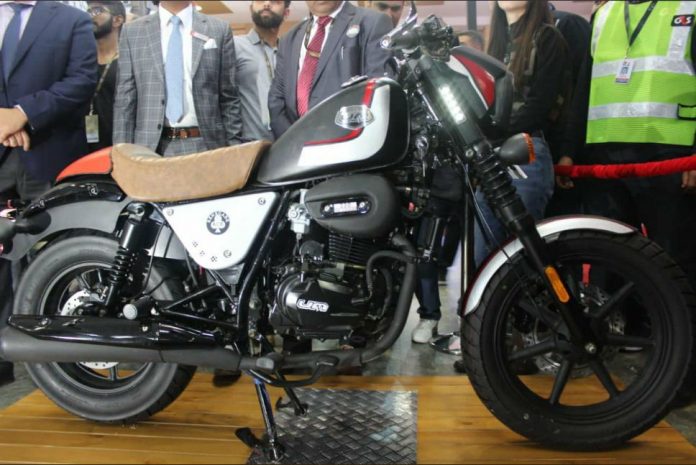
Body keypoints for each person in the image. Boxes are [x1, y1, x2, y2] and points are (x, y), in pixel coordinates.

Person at [445, 0, 568, 369]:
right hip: (491, 155)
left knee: (517, 254)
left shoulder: (548, 38)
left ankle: (515, 346)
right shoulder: (493, 44)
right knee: (482, 255)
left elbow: (541, 105)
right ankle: (488, 344)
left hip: (525, 150)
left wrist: (489, 133)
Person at [557, 1, 696, 291]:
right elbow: (585, 88)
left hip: (669, 153)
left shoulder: (688, 7)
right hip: (605, 157)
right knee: (608, 262)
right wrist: (569, 151)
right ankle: (618, 320)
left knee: (673, 261)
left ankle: (680, 322)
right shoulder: (605, 14)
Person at [0, 0, 98, 386]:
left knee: (58, 256)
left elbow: (82, 81)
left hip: (51, 154)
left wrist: (22, 114)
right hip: (3, 156)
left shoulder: (72, 20)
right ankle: (3, 359)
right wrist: (3, 120)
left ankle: (62, 362)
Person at [113, 0, 242, 156]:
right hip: (149, 147)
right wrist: (122, 155)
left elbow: (229, 97)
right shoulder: (132, 32)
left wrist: (235, 149)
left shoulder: (218, 29)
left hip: (206, 145)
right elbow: (125, 100)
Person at [268, 0, 395, 138]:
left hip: (349, 144)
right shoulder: (289, 39)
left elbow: (378, 94)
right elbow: (276, 100)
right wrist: (294, 141)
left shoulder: (372, 23)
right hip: (295, 146)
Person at [235, 0, 291, 142]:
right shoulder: (235, 46)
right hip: (248, 143)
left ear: (286, 13)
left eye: (275, 1)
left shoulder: (291, 51)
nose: (266, 4)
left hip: (288, 141)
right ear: (251, 9)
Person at [86, 0, 126, 152]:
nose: (90, 16)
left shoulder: (128, 61)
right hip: (84, 142)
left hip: (119, 143)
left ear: (117, 20)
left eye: (97, 11)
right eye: (88, 11)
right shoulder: (82, 59)